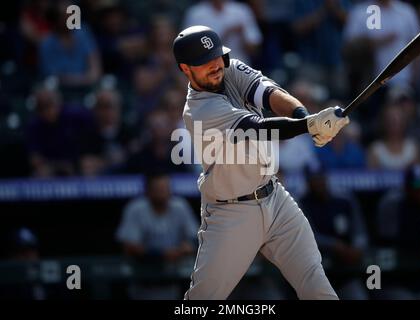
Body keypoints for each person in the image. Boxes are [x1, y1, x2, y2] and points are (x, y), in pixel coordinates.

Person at [173, 25, 350, 299]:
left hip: (276, 199)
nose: (215, 65)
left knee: (315, 282)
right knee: (203, 299)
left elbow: (270, 94)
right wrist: (308, 125)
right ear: (186, 68)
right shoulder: (198, 110)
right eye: (204, 63)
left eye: (217, 57)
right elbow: (257, 127)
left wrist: (307, 118)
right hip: (231, 213)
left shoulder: (229, 69)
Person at [116, 173, 198, 299]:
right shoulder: (136, 208)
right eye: (158, 189)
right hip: (142, 279)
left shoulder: (180, 206)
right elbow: (129, 246)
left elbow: (195, 238)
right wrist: (162, 254)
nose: (163, 192)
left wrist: (187, 246)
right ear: (148, 191)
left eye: (165, 188)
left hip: (173, 280)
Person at [375, 165, 420, 299]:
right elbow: (386, 241)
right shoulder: (393, 203)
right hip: (394, 279)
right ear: (407, 188)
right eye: (416, 188)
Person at [300, 165, 369, 300]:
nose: (318, 182)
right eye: (314, 180)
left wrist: (358, 247)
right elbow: (307, 236)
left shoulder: (343, 199)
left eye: (320, 178)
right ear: (308, 182)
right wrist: (334, 246)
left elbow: (360, 231)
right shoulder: (301, 202)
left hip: (346, 270)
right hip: (316, 273)